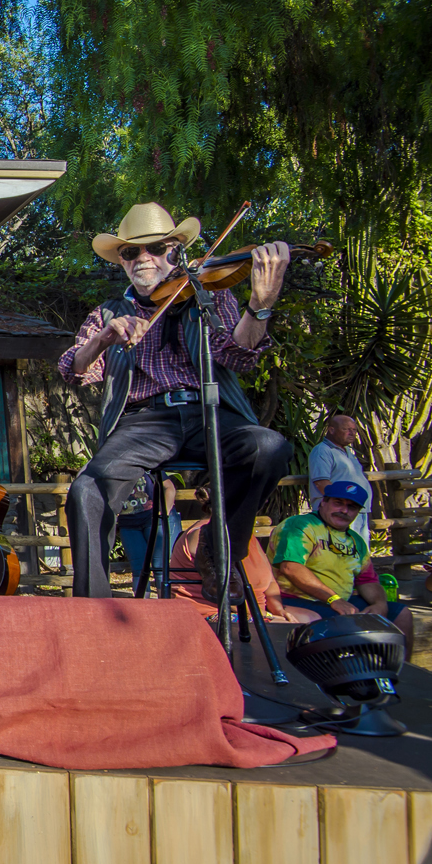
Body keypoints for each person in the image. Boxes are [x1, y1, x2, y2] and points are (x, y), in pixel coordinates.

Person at [58, 202, 293, 599]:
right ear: (121, 261)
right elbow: (74, 370)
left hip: (209, 412)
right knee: (87, 491)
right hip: (144, 421)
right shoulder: (109, 313)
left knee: (269, 447)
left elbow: (239, 355)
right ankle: (92, 611)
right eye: (131, 252)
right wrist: (102, 339)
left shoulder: (209, 297)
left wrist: (261, 304)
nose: (143, 258)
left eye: (155, 248)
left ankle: (220, 550)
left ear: (175, 251)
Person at [270, 480, 413, 654]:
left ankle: (401, 673)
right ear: (324, 501)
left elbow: (367, 580)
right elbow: (290, 568)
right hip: (296, 599)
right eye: (338, 503)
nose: (344, 510)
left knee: (401, 614)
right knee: (348, 622)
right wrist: (334, 600)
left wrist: (379, 603)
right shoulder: (300, 525)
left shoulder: (356, 540)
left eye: (351, 507)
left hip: (340, 602)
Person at [168, 481, 288, 621]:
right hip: (213, 614)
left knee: (311, 619)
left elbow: (270, 582)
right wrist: (265, 616)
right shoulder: (204, 534)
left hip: (255, 612)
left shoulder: (243, 533)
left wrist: (278, 611)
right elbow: (226, 591)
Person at [308, 413, 371, 541]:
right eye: (346, 429)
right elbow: (321, 482)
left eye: (354, 430)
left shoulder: (348, 451)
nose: (351, 433)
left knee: (359, 550)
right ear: (331, 430)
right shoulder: (322, 450)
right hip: (340, 512)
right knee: (343, 550)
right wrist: (339, 506)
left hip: (356, 510)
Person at [114, 471, 179, 594]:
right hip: (128, 524)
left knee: (160, 567)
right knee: (138, 570)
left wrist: (163, 512)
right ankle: (142, 609)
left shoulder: (147, 464)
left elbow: (169, 487)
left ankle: (164, 608)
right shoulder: (113, 468)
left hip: (153, 521)